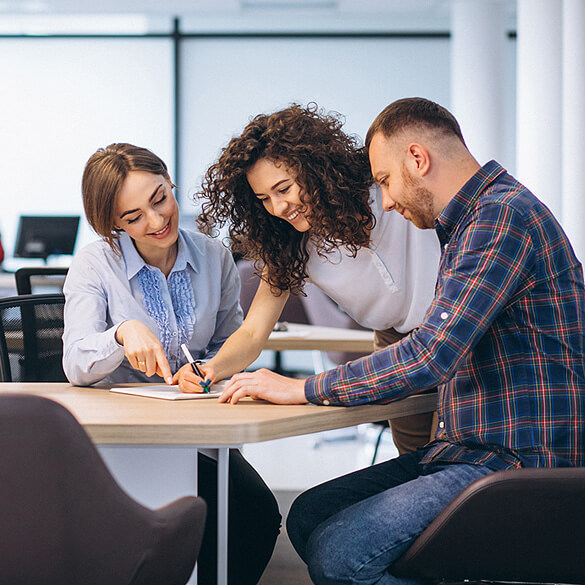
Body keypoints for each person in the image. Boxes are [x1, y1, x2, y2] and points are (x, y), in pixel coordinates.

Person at [216, 98, 585, 585]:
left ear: (418, 158)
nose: (385, 200)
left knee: (341, 552)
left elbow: (431, 354)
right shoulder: (467, 221)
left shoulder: (499, 219)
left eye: (386, 181)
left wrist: (303, 387)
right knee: (309, 516)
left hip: (517, 456)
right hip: (468, 443)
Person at [62, 143, 280, 585]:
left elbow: (228, 343)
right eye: (133, 217)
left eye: (160, 198)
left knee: (256, 515)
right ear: (111, 225)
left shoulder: (213, 255)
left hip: (198, 430)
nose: (157, 221)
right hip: (124, 440)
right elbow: (76, 363)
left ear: (170, 181)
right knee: (210, 516)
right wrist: (122, 332)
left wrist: (209, 368)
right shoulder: (93, 264)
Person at [193, 103, 441, 454]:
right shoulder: (289, 243)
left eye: (284, 189)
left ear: (314, 168)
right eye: (264, 198)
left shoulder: (383, 188)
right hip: (393, 342)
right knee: (417, 465)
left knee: (456, 462)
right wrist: (210, 369)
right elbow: (251, 333)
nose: (278, 208)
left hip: (453, 327)